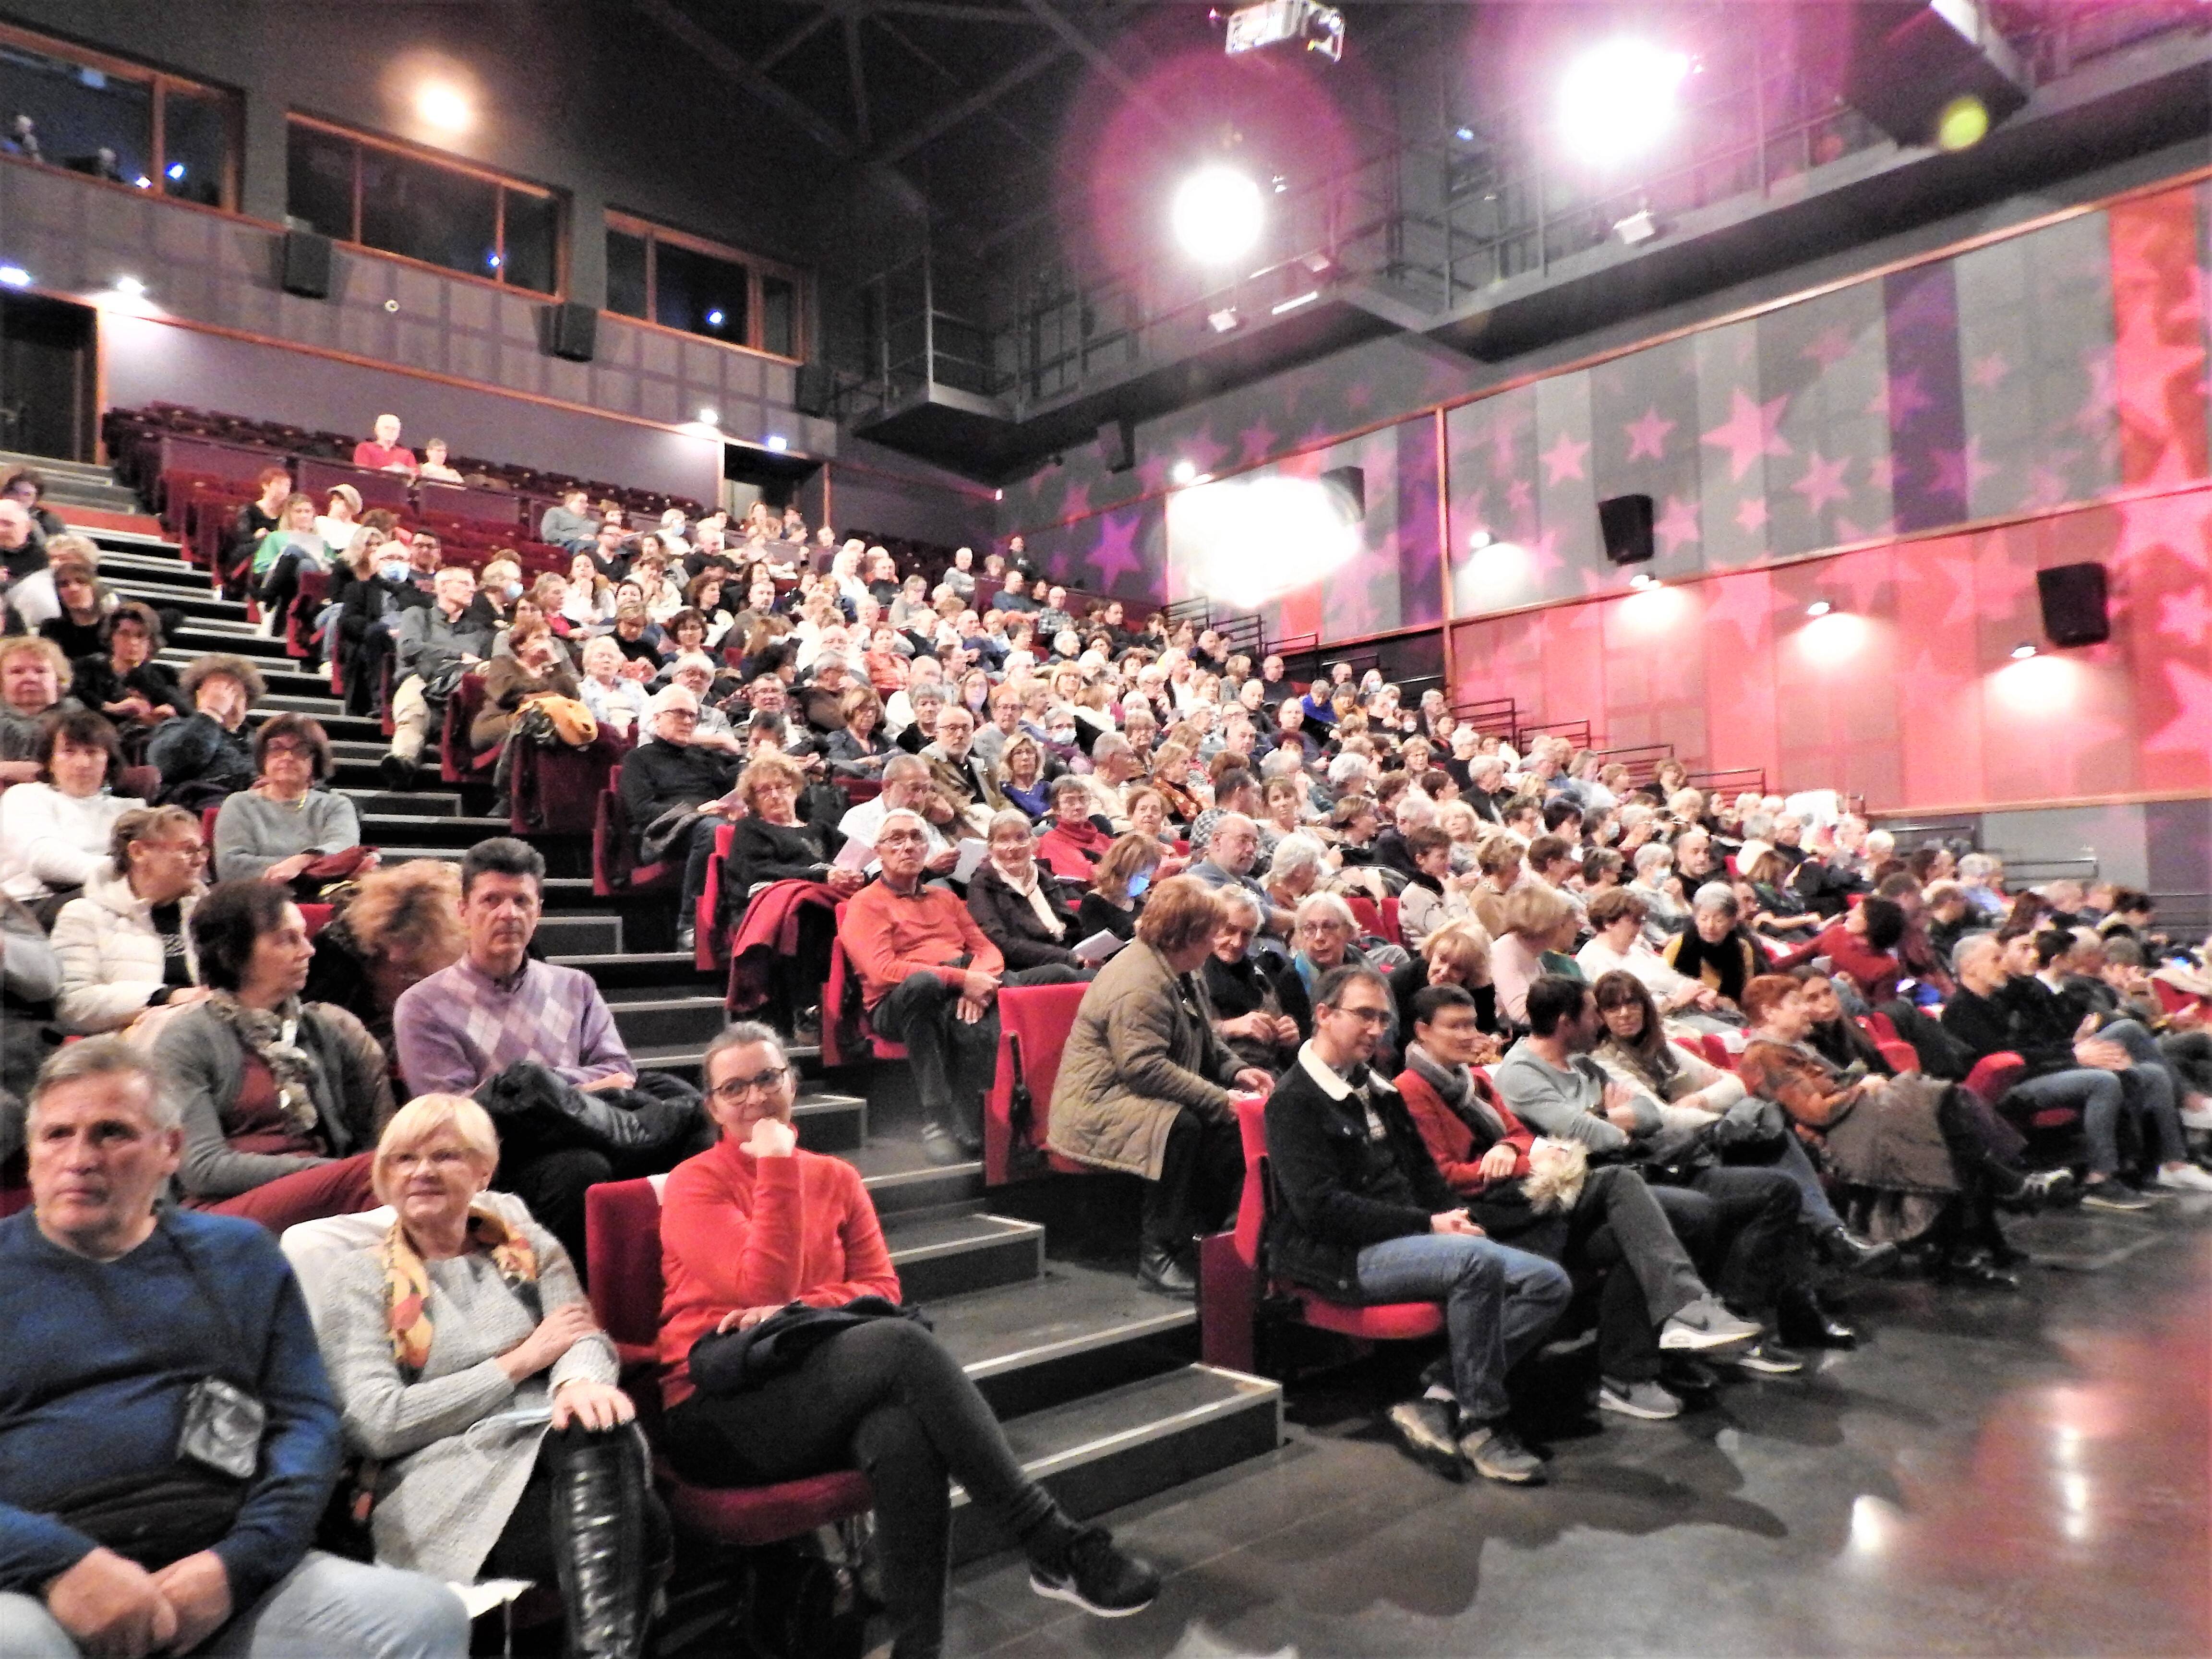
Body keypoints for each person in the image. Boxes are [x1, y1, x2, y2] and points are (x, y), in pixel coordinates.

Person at [658, 1024, 1157, 1656]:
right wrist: (777, 1165)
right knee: (900, 1347)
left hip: (815, 1388)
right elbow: (763, 1280)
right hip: (719, 1412)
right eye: (734, 1088)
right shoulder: (696, 1182)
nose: (754, 1099)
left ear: (792, 1081)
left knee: (901, 1433)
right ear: (712, 1107)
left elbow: (877, 1289)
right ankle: (1052, 1543)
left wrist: (798, 1308)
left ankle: (920, 1650)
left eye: (767, 1078)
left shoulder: (836, 1177)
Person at [0, 1038, 470, 1659]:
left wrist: (236, 1565)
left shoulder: (237, 1257)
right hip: (34, 1585)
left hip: (222, 1569)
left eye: (112, 1133)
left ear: (170, 1149)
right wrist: (64, 1566)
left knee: (419, 1617)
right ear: (31, 1155)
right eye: (58, 1135)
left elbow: (305, 1428)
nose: (80, 1158)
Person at [313, 1094, 667, 1655]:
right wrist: (520, 1362)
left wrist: (576, 1382)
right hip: (438, 1475)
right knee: (643, 1523)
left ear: (483, 1172)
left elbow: (584, 1338)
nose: (422, 1171)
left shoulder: (527, 1251)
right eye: (404, 1159)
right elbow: (376, 1423)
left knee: (599, 1424)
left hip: (545, 1447)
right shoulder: (357, 1278)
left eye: (444, 1155)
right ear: (385, 1176)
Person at [1264, 964, 1573, 1483]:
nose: (1376, 1028)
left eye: (1383, 1018)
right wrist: (1429, 1225)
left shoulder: (1378, 1089)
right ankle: (1483, 1423)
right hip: (1339, 1254)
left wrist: (1455, 1217)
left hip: (1406, 1236)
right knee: (1474, 1263)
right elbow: (1321, 1209)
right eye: (1364, 1015)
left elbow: (1426, 1176)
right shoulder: (1293, 1101)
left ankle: (1439, 1397)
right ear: (1322, 1015)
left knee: (1548, 1282)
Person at [1397, 985, 1760, 1421]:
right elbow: (1444, 1177)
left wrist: (1512, 1151)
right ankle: (1686, 1309)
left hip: (1528, 1197)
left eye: (1473, 1023)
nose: (1470, 1034)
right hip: (1485, 1214)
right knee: (1618, 1180)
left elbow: (1521, 1136)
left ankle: (1631, 1370)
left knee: (1668, 1221)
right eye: (1455, 1026)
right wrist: (1519, 1160)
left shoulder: (1472, 1081)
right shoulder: (1412, 1089)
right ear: (1422, 1031)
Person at [1494, 976, 1808, 1374]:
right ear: (1564, 1022)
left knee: (1777, 1190)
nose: (1602, 1022)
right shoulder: (1521, 1073)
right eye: (1594, 1012)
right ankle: (1659, 1345)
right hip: (1597, 1189)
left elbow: (1649, 1114)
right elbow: (1593, 1135)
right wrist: (1609, 1118)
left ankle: (1738, 1323)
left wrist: (1608, 1121)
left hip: (1650, 1166)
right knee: (1694, 1211)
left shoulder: (1582, 1062)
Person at [392, 839, 643, 1261]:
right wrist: (566, 1090)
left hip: (582, 1129)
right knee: (581, 1169)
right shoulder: (423, 1005)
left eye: (521, 901)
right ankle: (563, 1304)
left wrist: (532, 1089)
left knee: (685, 1117)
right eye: (491, 900)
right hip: (493, 1159)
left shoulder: (575, 986)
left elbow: (620, 1071)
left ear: (538, 911)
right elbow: (458, 1114)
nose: (508, 914)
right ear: (463, 911)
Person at [1590, 970, 1897, 1280]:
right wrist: (1717, 1115)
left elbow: (1736, 1084)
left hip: (1703, 1135)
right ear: (1600, 1017)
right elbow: (1663, 1119)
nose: (1626, 1013)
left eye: (1632, 1003)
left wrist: (1701, 1101)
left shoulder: (1662, 1048)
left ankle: (1829, 1250)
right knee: (1769, 1136)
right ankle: (1832, 1243)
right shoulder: (1603, 1061)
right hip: (1672, 1155)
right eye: (1613, 1008)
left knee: (1770, 1132)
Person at [1048, 878, 1273, 1295]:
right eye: (1213, 932)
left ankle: (1225, 1246)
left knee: (1232, 1125)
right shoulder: (1139, 982)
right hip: (1096, 1105)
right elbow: (1143, 1068)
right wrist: (1217, 1098)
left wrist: (1238, 1072)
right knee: (1180, 1125)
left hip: (1132, 1093)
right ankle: (1159, 1257)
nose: (1219, 941)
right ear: (1187, 935)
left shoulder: (1184, 969)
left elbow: (1207, 1041)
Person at [837, 809, 1078, 1164]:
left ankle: (1054, 1098)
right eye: (897, 839)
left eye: (917, 838)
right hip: (898, 1001)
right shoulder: (866, 903)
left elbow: (987, 950)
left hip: (965, 982)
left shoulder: (944, 898)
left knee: (1061, 975)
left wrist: (981, 986)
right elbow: (882, 972)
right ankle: (939, 1116)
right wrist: (964, 980)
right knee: (924, 984)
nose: (908, 846)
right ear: (879, 850)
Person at [150, 878, 390, 1230]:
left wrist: (341, 1175)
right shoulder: (187, 1038)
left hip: (328, 1190)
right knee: (383, 1177)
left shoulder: (322, 1030)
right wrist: (333, 1174)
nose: (308, 950)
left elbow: (360, 1137)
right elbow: (202, 1169)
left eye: (304, 936)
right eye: (286, 939)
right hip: (219, 1211)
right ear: (234, 954)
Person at [1942, 932, 2205, 1205]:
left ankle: (2164, 1163)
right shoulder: (1961, 1010)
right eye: (1996, 959)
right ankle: (2099, 1177)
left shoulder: (2002, 997)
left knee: (2152, 1074)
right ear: (1970, 966)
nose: (2003, 964)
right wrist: (2073, 1054)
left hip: (2043, 1068)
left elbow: (2038, 1041)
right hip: (2015, 1085)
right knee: (2102, 1080)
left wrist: (2073, 1047)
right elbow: (2007, 1058)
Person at [51, 805, 208, 1035]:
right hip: (125, 1050)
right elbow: (72, 1005)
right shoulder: (83, 915)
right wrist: (164, 997)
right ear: (138, 852)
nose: (199, 861)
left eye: (201, 850)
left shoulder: (211, 912)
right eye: (188, 850)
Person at [301, 860, 467, 1077]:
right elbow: (318, 1030)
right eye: (389, 939)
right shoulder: (339, 946)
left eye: (412, 942)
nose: (394, 955)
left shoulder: (457, 954)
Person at [619, 685, 743, 952]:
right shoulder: (638, 759)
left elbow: (732, 791)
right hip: (661, 836)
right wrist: (696, 814)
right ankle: (689, 926)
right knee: (713, 830)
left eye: (692, 716)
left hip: (710, 825)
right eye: (679, 714)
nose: (687, 721)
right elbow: (642, 811)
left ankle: (741, 921)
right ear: (657, 718)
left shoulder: (704, 758)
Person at [0, 709, 144, 910]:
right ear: (50, 761)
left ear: (108, 761)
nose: (83, 763)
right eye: (69, 752)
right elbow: (44, 860)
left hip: (115, 898)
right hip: (34, 905)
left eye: (92, 753)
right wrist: (131, 873)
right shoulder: (25, 796)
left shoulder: (131, 809)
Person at [212, 714, 362, 886]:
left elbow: (344, 851)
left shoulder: (335, 805)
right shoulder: (239, 804)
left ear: (316, 760)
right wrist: (308, 867)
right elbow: (232, 867)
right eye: (276, 748)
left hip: (321, 893)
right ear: (263, 757)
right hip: (254, 898)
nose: (287, 757)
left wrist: (302, 861)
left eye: (300, 750)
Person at [382, 567, 492, 790]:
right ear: (442, 587)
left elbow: (485, 664)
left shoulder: (481, 632)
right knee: (414, 709)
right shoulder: (418, 615)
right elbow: (410, 648)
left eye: (473, 584)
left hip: (461, 684)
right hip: (420, 678)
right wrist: (458, 656)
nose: (473, 589)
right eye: (464, 583)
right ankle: (403, 762)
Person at [967, 807, 1085, 969]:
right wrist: (1067, 957)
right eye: (1003, 840)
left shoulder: (1042, 876)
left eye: (1021, 838)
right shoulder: (982, 884)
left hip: (1066, 951)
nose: (1013, 847)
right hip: (1026, 964)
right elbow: (1000, 942)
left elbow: (1069, 922)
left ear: (1034, 843)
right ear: (991, 847)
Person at [147, 653, 266, 811]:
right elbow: (170, 765)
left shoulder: (261, 741)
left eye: (235, 695)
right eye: (216, 693)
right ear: (198, 698)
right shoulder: (173, 728)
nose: (226, 701)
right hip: (195, 811)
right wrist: (211, 713)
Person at [1203, 886, 1300, 1076]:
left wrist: (1289, 1036)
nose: (1237, 943)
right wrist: (1228, 1028)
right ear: (1210, 925)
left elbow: (1281, 1039)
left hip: (1270, 1073)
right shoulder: (1189, 972)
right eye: (1229, 930)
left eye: (1246, 934)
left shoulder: (1259, 976)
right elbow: (1184, 1037)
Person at [72, 601, 184, 748]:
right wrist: (111, 707)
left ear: (151, 642)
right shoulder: (88, 667)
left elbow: (185, 712)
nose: (133, 642)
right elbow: (75, 698)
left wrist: (168, 714)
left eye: (140, 636)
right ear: (112, 637)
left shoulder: (165, 675)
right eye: (124, 634)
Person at [1662, 883, 1763, 1009]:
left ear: (1732, 922)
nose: (1710, 926)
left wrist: (1722, 1002)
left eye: (1719, 920)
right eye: (1704, 919)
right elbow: (1664, 987)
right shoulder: (1678, 946)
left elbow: (1745, 993)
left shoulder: (1742, 948)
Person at [0, 633, 76, 786]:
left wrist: (42, 772)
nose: (30, 678)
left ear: (58, 679)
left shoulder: (80, 720)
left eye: (41, 671)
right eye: (17, 672)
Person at [352, 412, 417, 474]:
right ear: (377, 430)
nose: (391, 432)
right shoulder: (364, 448)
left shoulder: (407, 454)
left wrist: (403, 470)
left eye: (395, 429)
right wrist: (383, 471)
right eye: (387, 428)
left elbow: (415, 476)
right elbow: (363, 472)